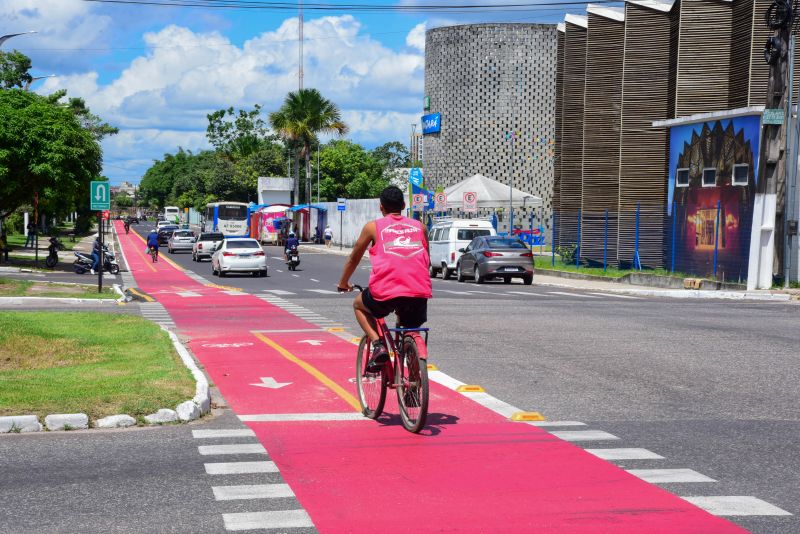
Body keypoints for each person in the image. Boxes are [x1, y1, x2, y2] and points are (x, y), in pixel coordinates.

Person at [337, 185, 432, 371]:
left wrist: (343, 282)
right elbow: (426, 259)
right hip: (419, 290)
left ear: (381, 207)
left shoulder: (373, 227)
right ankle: (413, 383)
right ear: (404, 205)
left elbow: (354, 257)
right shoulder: (420, 227)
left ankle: (378, 345)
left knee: (358, 304)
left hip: (385, 291)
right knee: (410, 330)